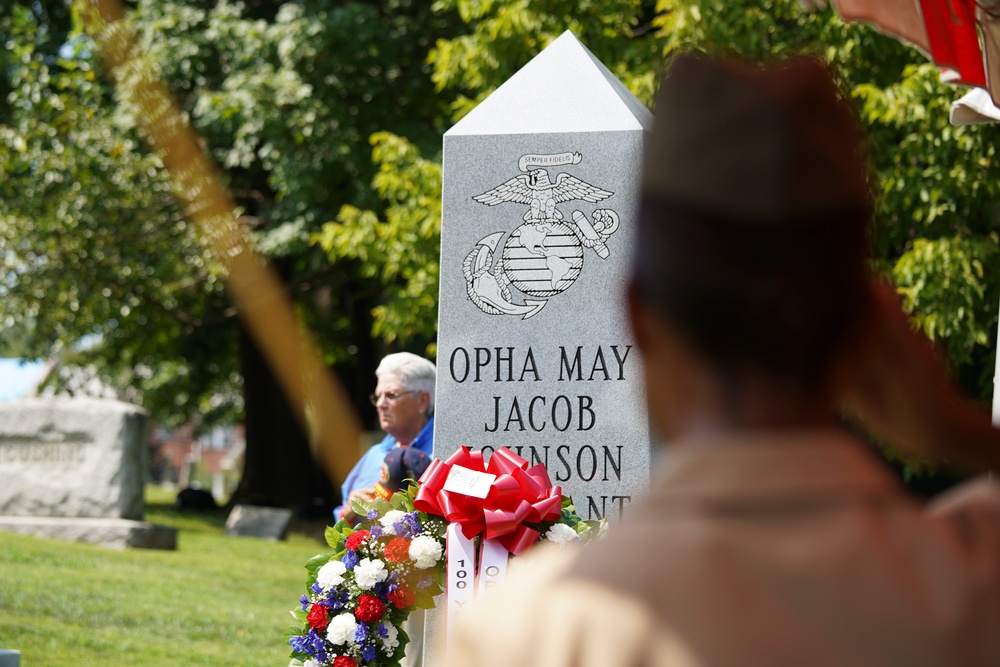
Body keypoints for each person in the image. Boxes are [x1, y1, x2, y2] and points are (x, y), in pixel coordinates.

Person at [443, 53, 1000, 666]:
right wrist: (958, 430)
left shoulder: (529, 630)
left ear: (636, 316)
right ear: (872, 322)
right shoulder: (973, 578)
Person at [334, 352, 436, 524]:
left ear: (422, 401)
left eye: (391, 395)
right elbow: (340, 524)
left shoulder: (443, 454)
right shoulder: (374, 454)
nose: (381, 404)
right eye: (378, 396)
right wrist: (348, 513)